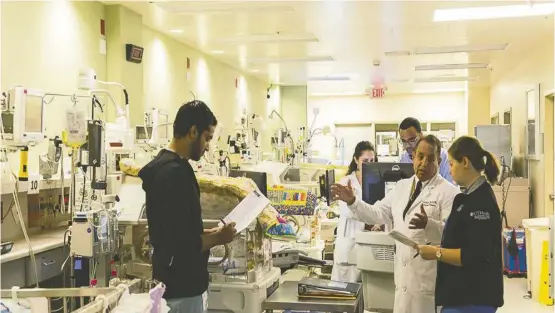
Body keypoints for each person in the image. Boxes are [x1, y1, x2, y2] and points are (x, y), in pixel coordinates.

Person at [332, 134, 460, 313]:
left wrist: (429, 224)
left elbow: (453, 236)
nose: (424, 163)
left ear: (439, 161)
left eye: (431, 159)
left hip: (428, 282)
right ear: (413, 156)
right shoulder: (401, 186)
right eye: (420, 157)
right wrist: (353, 201)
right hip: (403, 280)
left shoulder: (449, 193)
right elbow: (377, 213)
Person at [139, 100, 237, 313]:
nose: (208, 146)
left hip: (170, 281)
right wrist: (220, 238)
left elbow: (177, 229)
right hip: (183, 288)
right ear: (193, 131)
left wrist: (210, 232)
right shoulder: (175, 174)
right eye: (207, 138)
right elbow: (184, 245)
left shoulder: (165, 167)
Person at [417, 136, 504, 313]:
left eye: (451, 164)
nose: (450, 170)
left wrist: (436, 253)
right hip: (457, 295)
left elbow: (474, 256)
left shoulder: (482, 202)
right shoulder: (464, 199)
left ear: (465, 162)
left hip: (473, 299)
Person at [331, 141, 378, 283]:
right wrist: (370, 220)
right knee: (345, 294)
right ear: (356, 160)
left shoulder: (376, 181)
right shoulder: (345, 182)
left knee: (366, 296)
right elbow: (350, 212)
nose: (369, 164)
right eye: (365, 161)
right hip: (349, 245)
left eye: (372, 161)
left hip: (369, 243)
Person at [399, 117, 454, 183]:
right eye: (404, 141)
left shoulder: (442, 155)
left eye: (412, 140)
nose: (407, 145)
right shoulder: (404, 158)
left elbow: (451, 186)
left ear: (421, 135)